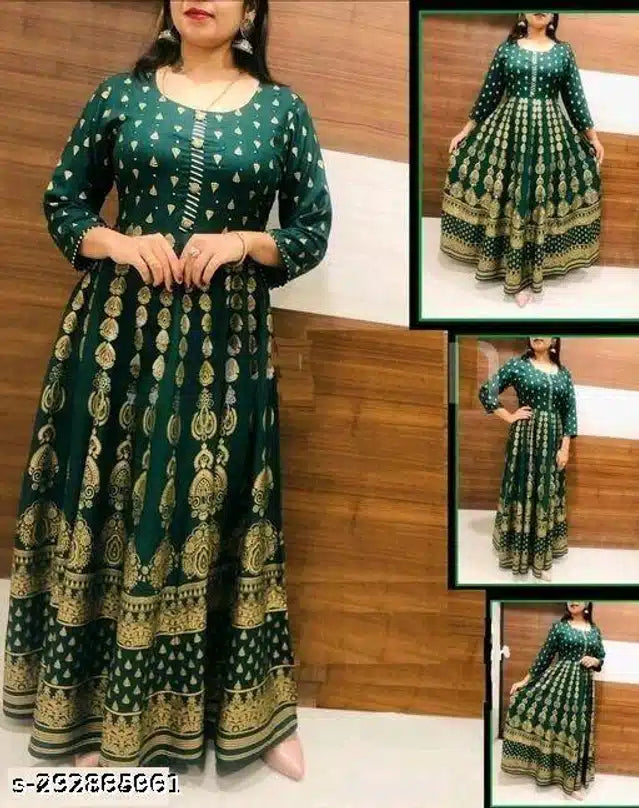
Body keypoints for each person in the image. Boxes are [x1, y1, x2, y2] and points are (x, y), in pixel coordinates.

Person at [1, 0, 331, 780]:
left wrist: (245, 241)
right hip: (117, 336)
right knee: (112, 499)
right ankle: (88, 703)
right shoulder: (120, 95)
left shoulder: (282, 111)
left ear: (250, 7)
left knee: (219, 506)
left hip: (227, 344)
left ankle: (243, 708)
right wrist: (118, 242)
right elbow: (63, 204)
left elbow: (311, 229)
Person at [441, 13, 604, 308]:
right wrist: (465, 131)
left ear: (554, 15)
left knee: (534, 199)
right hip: (509, 135)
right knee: (512, 197)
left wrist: (592, 138)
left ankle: (528, 275)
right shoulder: (507, 50)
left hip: (549, 137)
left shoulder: (564, 52)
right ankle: (506, 268)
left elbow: (574, 98)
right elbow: (489, 94)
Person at [478, 337, 577, 581]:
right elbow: (486, 391)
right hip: (525, 440)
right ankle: (517, 552)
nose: (537, 335)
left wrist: (565, 448)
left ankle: (541, 559)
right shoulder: (518, 365)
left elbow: (570, 413)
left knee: (546, 494)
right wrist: (509, 416)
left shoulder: (564, 374)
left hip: (552, 442)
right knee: (523, 489)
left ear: (554, 339)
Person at [501, 602, 605, 799]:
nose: (573, 601)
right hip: (560, 684)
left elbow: (601, 656)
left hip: (584, 689)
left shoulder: (594, 630)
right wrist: (524, 681)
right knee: (560, 729)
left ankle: (571, 781)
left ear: (587, 603)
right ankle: (551, 774)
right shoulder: (560, 627)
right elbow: (545, 656)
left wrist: (595, 661)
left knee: (577, 731)